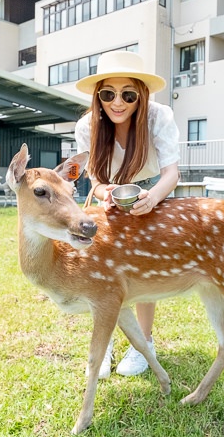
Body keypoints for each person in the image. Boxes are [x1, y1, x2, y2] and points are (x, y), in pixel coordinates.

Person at [73, 50, 180, 378]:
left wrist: (153, 198)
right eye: (108, 94)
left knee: (143, 268)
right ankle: (103, 344)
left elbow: (172, 173)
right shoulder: (87, 125)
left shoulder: (159, 116)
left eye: (128, 94)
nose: (117, 102)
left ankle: (143, 344)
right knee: (102, 270)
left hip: (151, 192)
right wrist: (106, 195)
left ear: (141, 96)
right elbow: (95, 178)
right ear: (98, 96)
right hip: (110, 194)